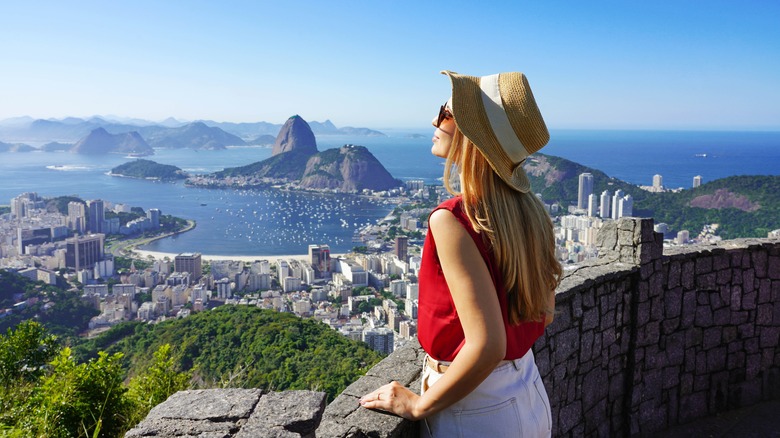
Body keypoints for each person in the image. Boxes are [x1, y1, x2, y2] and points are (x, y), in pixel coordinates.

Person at [360, 70, 562, 437]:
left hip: (474, 409)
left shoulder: (453, 219)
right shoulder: (530, 212)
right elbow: (544, 314)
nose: (434, 121)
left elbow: (487, 346)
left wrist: (419, 404)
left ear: (473, 134)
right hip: (528, 392)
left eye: (446, 113)